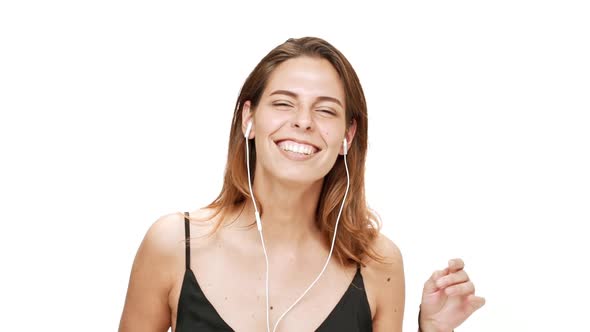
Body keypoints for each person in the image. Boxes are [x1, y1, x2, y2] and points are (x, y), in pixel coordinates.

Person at [118, 36, 485, 332]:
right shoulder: (173, 244)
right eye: (283, 103)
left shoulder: (377, 263)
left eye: (325, 110)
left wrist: (435, 331)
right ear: (249, 118)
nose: (303, 122)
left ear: (347, 135)